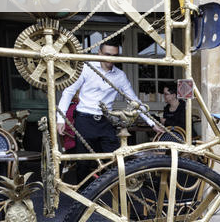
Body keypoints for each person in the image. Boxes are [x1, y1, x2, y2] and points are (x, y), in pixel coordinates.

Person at [56, 39, 163, 182]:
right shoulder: (86, 68)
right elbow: (68, 92)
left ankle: (117, 195)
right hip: (84, 120)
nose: (110, 59)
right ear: (99, 52)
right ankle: (83, 199)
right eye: (107, 54)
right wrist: (60, 119)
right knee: (83, 162)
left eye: (114, 56)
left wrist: (152, 123)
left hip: (106, 121)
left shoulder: (120, 76)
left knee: (115, 159)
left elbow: (134, 101)